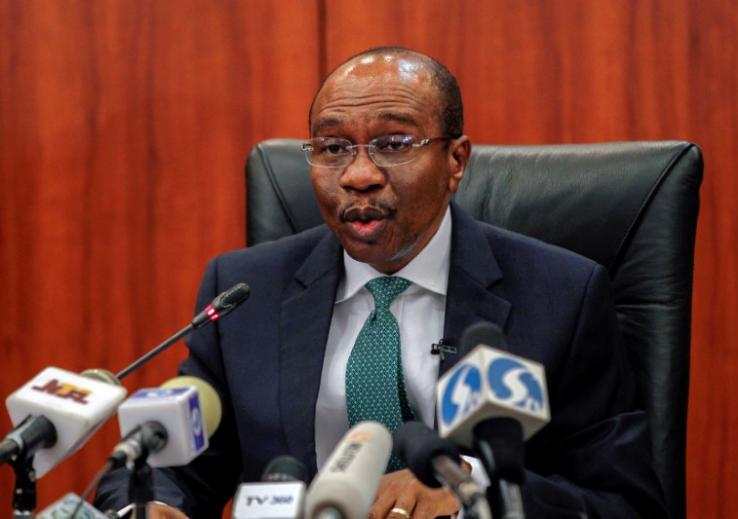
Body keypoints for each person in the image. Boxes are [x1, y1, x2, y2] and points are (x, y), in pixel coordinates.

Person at [95, 47, 666, 518]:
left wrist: (473, 491)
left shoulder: (561, 294)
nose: (359, 175)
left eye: (395, 144)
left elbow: (627, 505)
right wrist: (145, 507)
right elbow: (166, 464)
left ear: (456, 161)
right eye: (334, 148)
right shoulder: (245, 292)